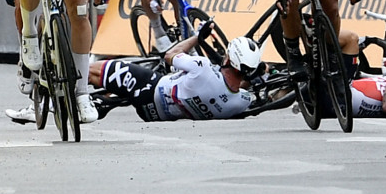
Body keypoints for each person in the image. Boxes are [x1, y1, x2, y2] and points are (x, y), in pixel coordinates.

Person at [89, 31, 262, 121]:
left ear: (229, 58)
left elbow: (170, 55)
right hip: (157, 116)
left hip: (149, 88)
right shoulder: (241, 102)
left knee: (92, 71)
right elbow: (237, 90)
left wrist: (198, 38)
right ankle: (106, 100)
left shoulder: (202, 67)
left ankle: (75, 86)